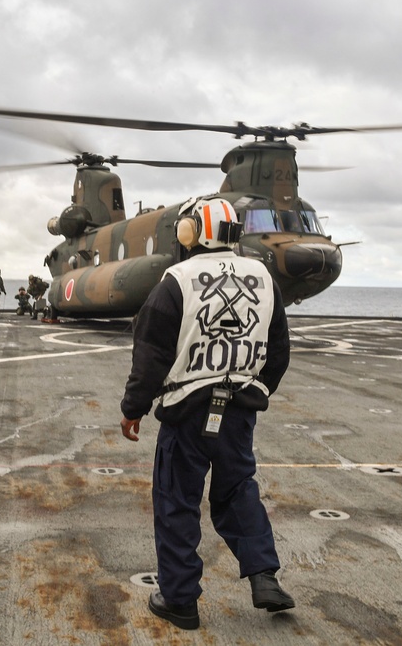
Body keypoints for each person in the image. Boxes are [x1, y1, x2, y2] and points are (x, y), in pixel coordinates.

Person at [119, 198, 294, 630]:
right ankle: (264, 576)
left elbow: (151, 355)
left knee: (177, 500)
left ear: (191, 232)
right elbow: (279, 352)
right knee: (237, 491)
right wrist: (254, 391)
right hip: (239, 412)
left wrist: (133, 409)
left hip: (188, 412)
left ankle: (179, 600)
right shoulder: (264, 277)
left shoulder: (176, 281)